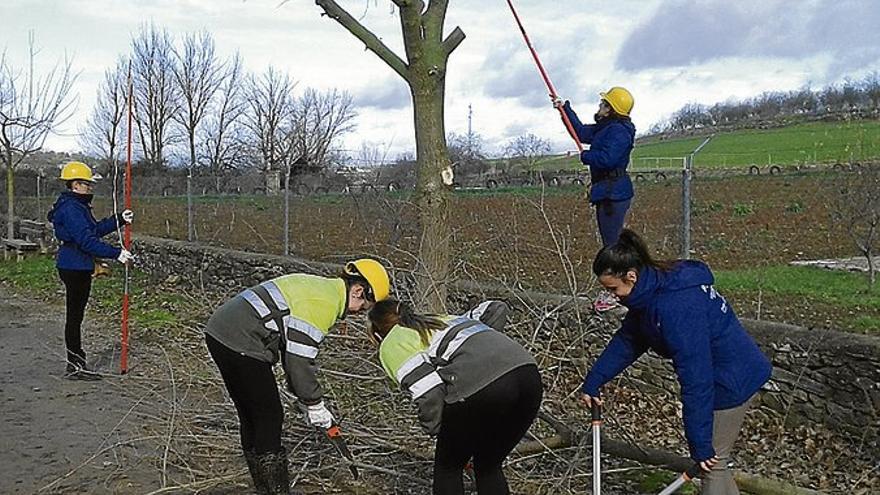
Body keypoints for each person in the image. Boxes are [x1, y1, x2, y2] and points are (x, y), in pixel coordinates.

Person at [580, 228, 772, 495]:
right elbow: (629, 340)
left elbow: (697, 378)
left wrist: (699, 443)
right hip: (724, 372)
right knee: (716, 463)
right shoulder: (649, 291)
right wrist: (594, 381)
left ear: (631, 275)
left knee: (710, 464)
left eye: (613, 289)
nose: (612, 296)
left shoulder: (676, 306)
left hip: (732, 378)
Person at [204, 259, 391, 495]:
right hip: (242, 338)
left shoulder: (322, 288)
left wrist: (304, 400)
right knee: (269, 416)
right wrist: (314, 403)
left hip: (221, 331)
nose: (358, 313)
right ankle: (275, 490)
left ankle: (264, 487)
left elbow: (289, 349)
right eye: (364, 307)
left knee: (252, 414)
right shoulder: (324, 303)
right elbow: (299, 361)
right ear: (358, 291)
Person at [367, 299, 542, 495]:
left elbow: (428, 391)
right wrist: (486, 350)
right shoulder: (445, 320)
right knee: (488, 464)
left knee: (448, 467)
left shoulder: (393, 342)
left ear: (376, 332)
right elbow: (496, 307)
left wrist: (438, 430)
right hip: (528, 375)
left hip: (478, 385)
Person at [47, 161, 134, 380]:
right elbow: (86, 240)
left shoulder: (76, 206)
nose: (90, 187)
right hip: (74, 267)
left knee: (76, 317)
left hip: (76, 265)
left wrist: (119, 220)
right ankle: (75, 366)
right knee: (74, 318)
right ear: (75, 185)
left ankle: (76, 363)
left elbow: (93, 230)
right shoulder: (71, 209)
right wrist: (116, 253)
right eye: (87, 184)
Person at [552, 86, 636, 247]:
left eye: (603, 104)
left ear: (611, 110)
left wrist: (586, 156)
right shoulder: (606, 128)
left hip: (614, 194)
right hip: (607, 191)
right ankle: (618, 269)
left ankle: (620, 271)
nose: (599, 106)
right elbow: (581, 132)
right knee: (611, 242)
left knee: (612, 244)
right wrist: (564, 109)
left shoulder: (619, 131)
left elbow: (608, 159)